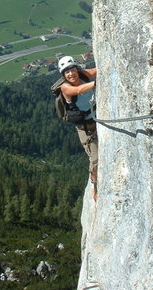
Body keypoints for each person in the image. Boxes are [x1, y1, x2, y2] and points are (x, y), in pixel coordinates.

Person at [57, 55, 99, 200]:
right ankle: (95, 186)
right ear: (63, 75)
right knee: (95, 158)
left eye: (72, 69)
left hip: (97, 120)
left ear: (77, 68)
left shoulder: (84, 75)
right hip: (85, 129)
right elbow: (79, 90)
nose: (70, 73)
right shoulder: (65, 87)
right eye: (66, 72)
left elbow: (97, 70)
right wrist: (96, 84)